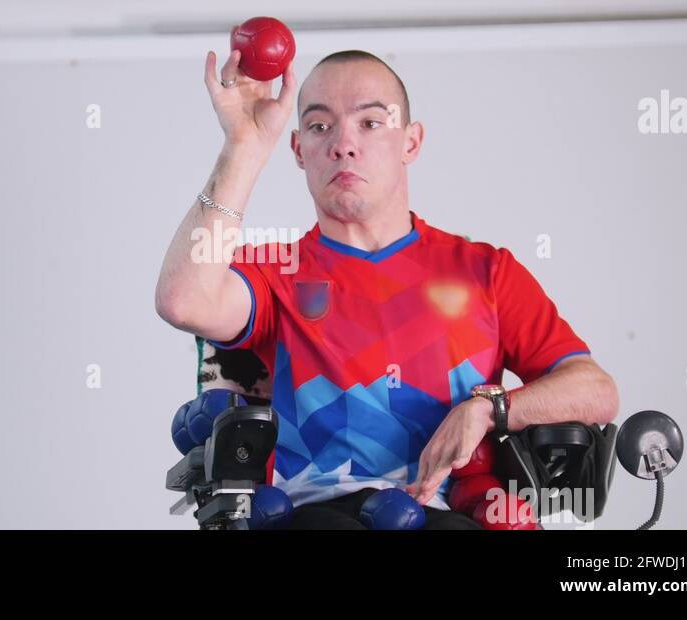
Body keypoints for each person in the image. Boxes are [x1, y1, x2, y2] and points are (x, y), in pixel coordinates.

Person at [155, 46, 620, 530]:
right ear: (298, 150)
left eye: (370, 123)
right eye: (319, 127)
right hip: (315, 517)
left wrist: (491, 409)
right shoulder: (276, 272)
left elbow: (594, 390)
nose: (343, 144)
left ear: (411, 143)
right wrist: (244, 147)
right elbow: (183, 299)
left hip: (449, 510)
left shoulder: (486, 271)